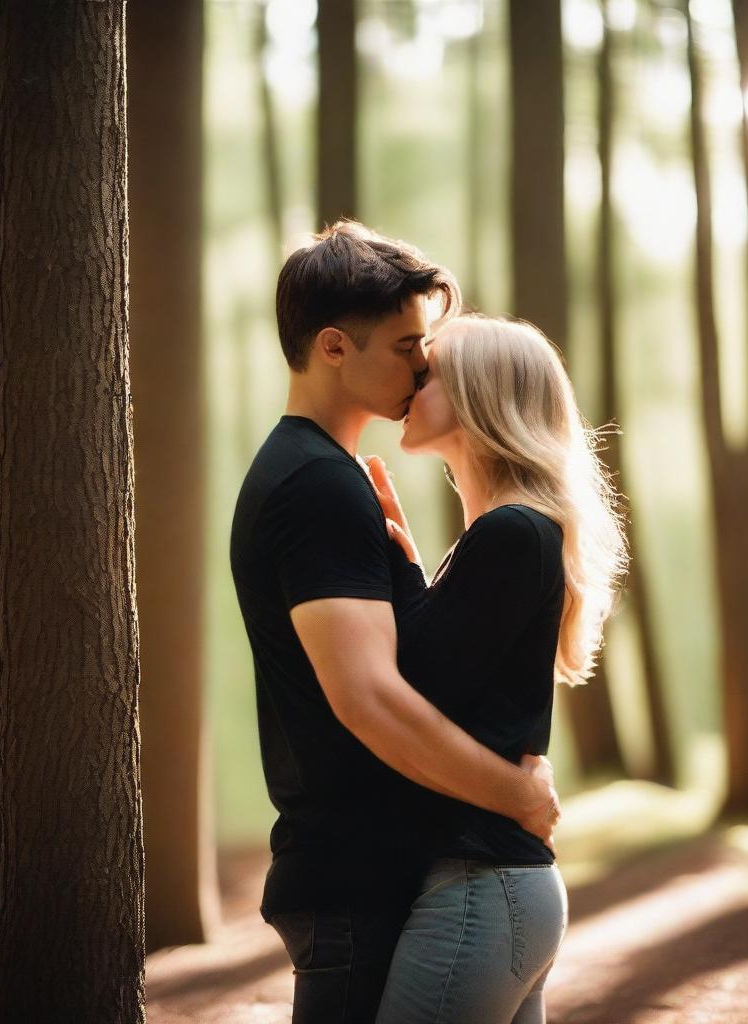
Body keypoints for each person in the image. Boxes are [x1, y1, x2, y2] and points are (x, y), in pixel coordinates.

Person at [229, 222, 561, 1024]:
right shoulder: (317, 485)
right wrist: (517, 793)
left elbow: (407, 675)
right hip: (354, 875)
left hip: (389, 876)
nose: (423, 364)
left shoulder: (327, 479)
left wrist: (408, 574)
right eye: (410, 345)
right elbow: (372, 698)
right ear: (336, 348)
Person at [368, 315, 627, 1024]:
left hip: (482, 888)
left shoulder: (512, 533)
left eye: (427, 375)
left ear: (480, 395)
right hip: (497, 889)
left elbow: (412, 691)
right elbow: (446, 669)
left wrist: (388, 563)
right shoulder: (500, 536)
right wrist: (412, 565)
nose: (408, 386)